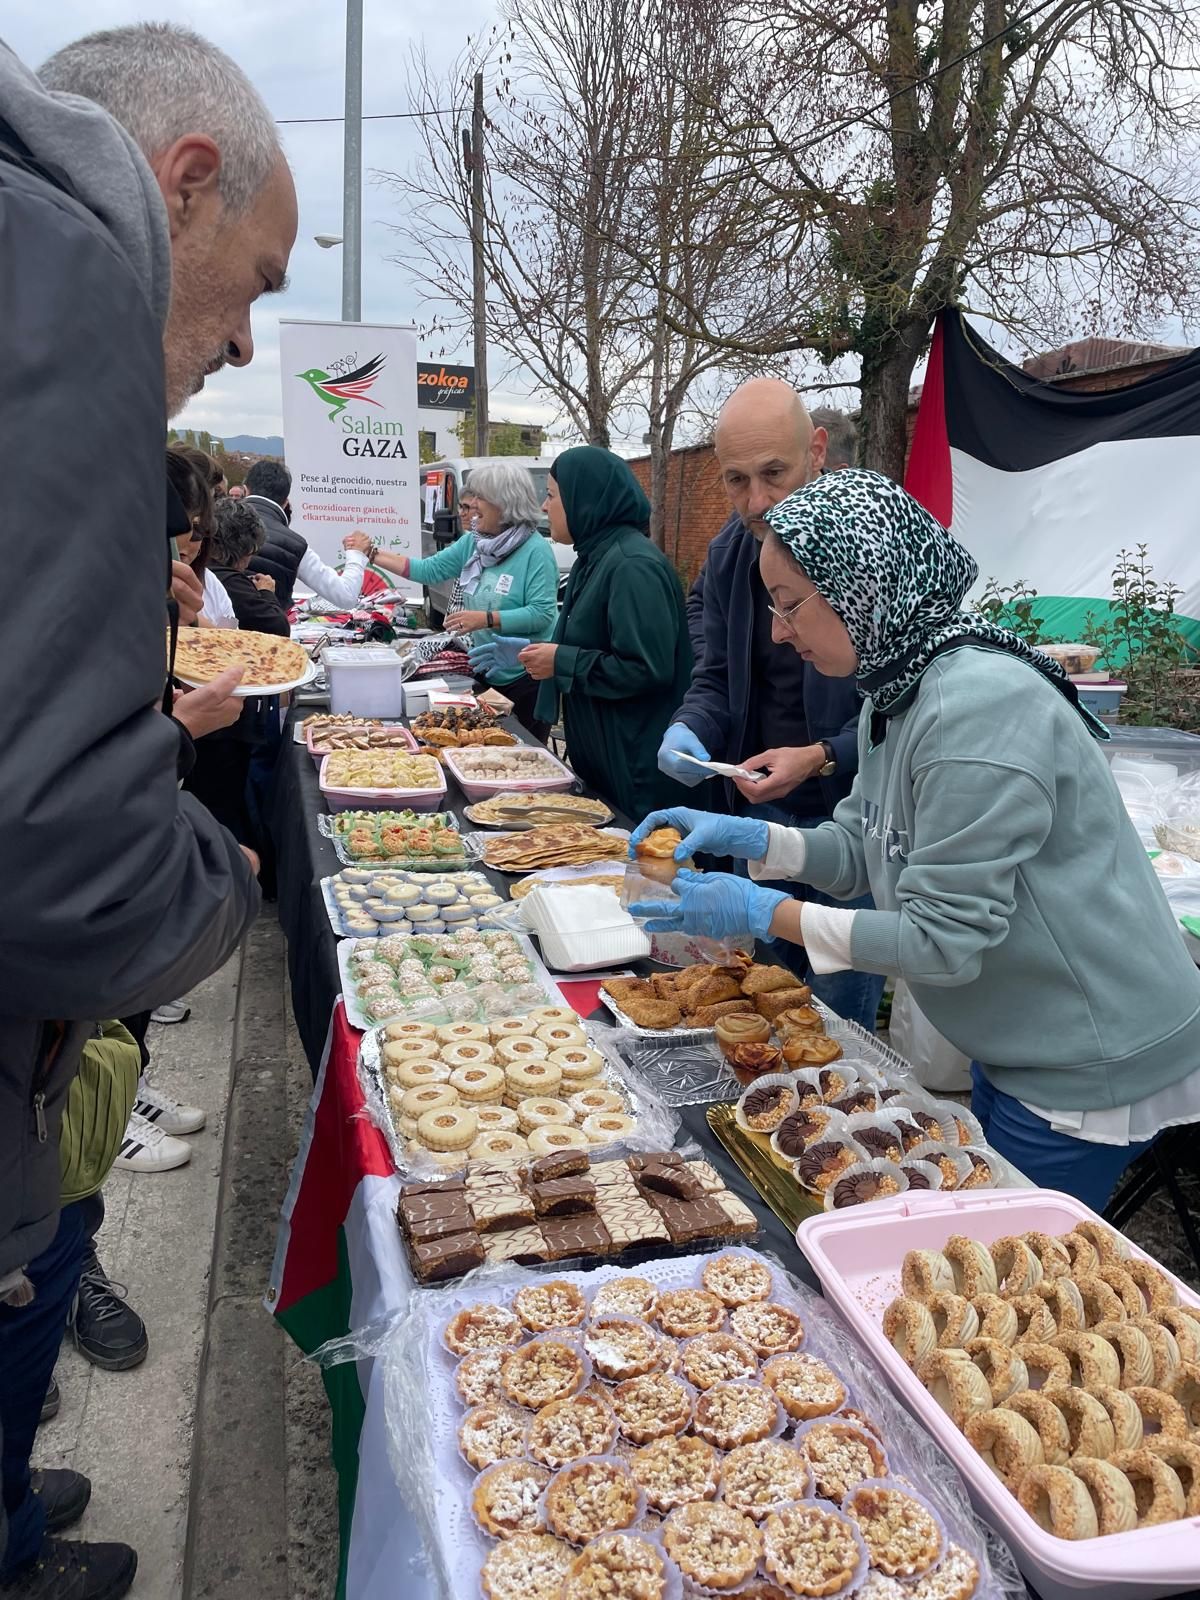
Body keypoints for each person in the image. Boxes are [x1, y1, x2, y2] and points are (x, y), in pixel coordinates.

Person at [1, 21, 296, 1595]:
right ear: (183, 183)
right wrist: (216, 877)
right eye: (252, 280)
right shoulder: (53, 275)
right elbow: (63, 854)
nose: (248, 343)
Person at [632, 469, 1200, 1208]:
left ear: (861, 583)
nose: (778, 630)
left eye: (789, 604)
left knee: (1000, 1266)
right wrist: (754, 840)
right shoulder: (895, 691)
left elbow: (941, 940)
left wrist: (761, 912)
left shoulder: (977, 708)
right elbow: (863, 848)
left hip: (1087, 1051)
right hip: (1016, 1032)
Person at [661, 379, 882, 1032]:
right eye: (736, 480)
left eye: (773, 474)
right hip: (762, 810)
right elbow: (718, 673)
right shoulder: (732, 551)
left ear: (817, 451)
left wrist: (820, 756)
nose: (755, 501)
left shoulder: (872, 548)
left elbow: (899, 717)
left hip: (856, 816)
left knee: (836, 1025)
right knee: (765, 998)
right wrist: (690, 726)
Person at [516, 447, 693, 820]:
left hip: (636, 770)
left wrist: (561, 660)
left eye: (551, 495)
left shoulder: (632, 566)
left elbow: (647, 668)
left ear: (585, 499)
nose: (544, 507)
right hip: (608, 759)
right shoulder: (594, 558)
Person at [370, 461, 558, 738]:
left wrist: (486, 619)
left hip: (526, 677)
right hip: (485, 671)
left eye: (481, 497)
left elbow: (542, 614)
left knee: (521, 753)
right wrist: (372, 554)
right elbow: (429, 570)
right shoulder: (476, 542)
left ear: (505, 504)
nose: (472, 503)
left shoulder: (536, 551)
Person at [243, 458, 371, 610]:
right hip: (266, 630)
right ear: (285, 502)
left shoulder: (215, 524)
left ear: (245, 490)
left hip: (212, 630)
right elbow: (345, 596)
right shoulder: (294, 544)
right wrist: (356, 553)